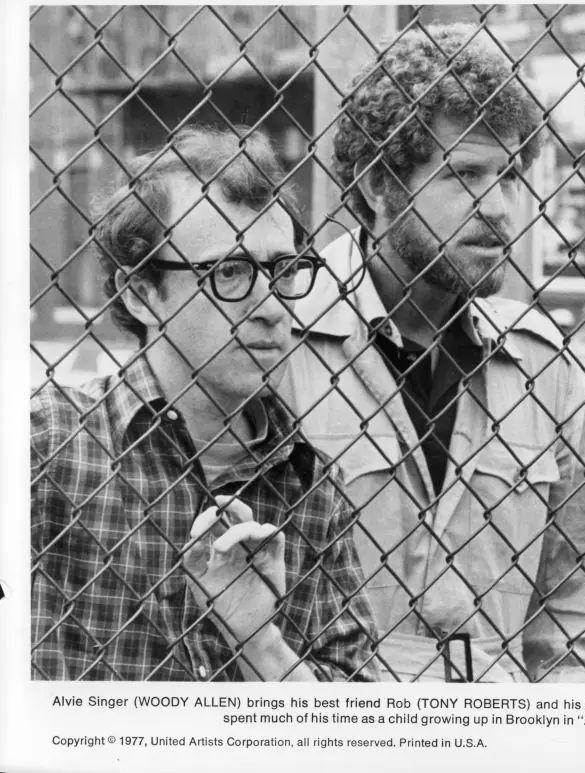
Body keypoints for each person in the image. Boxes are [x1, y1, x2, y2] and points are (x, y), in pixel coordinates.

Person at [282, 23, 585, 683]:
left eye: (509, 175)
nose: (500, 208)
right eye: (467, 175)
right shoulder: (278, 342)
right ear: (377, 187)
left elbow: (581, 618)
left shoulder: (540, 366)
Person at [31, 126, 378, 682]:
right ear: (142, 294)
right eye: (231, 272)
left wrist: (261, 644)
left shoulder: (309, 484)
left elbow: (352, 733)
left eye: (284, 270)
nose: (271, 306)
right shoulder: (47, 449)